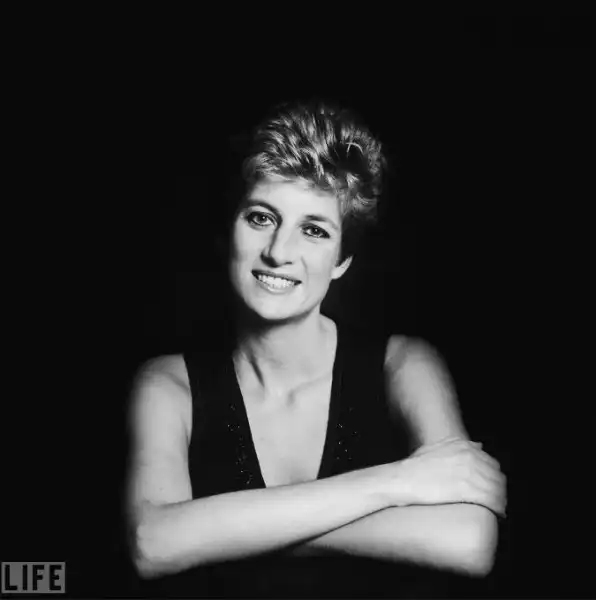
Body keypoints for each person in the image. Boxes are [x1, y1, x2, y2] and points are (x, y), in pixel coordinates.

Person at [125, 100, 507, 598]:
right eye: (261, 218)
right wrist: (399, 481)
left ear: (342, 259)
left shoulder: (403, 363)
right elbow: (152, 544)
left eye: (314, 230)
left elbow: (469, 540)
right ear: (229, 230)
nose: (279, 252)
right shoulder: (168, 382)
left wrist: (219, 534)